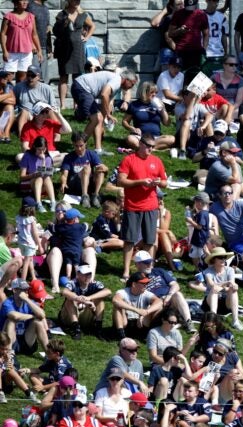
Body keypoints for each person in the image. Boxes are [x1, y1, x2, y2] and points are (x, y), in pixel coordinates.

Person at [116, 134, 167, 281]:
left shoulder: (156, 161)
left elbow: (164, 182)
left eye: (152, 147)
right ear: (140, 144)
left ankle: (147, 270)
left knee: (150, 240)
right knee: (129, 240)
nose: (150, 149)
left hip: (151, 206)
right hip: (132, 206)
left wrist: (158, 182)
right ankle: (126, 271)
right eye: (148, 146)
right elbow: (121, 181)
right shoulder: (128, 160)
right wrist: (141, 182)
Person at [72, 69, 138, 153]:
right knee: (96, 118)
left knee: (99, 118)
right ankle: (79, 146)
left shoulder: (117, 84)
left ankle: (98, 149)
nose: (131, 87)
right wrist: (108, 114)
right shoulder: (117, 80)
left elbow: (105, 101)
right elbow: (104, 94)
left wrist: (105, 119)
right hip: (82, 87)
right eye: (132, 84)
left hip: (81, 87)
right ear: (126, 79)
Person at [51, 0, 93, 109]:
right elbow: (56, 31)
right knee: (63, 76)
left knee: (77, 78)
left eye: (78, 0)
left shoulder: (83, 14)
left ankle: (76, 104)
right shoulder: (62, 14)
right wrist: (65, 22)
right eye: (75, 0)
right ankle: (63, 105)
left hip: (78, 49)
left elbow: (92, 26)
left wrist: (87, 37)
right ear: (69, 1)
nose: (77, 2)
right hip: (64, 49)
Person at [58, 264, 109, 340]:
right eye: (85, 274)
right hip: (69, 317)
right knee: (69, 300)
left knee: (100, 300)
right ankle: (76, 329)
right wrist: (79, 299)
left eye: (89, 274)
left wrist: (89, 298)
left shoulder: (95, 284)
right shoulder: (72, 283)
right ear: (78, 274)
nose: (88, 276)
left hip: (86, 316)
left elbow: (108, 291)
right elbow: (65, 292)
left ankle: (98, 328)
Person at [59, 132, 107, 209]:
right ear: (73, 144)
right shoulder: (68, 157)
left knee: (100, 171)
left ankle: (96, 195)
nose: (79, 149)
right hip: (74, 183)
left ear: (85, 143)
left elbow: (102, 168)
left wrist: (104, 168)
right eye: (76, 146)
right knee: (86, 168)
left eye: (81, 146)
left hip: (89, 182)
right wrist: (63, 183)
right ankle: (85, 196)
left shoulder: (91, 154)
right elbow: (64, 174)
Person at [0, 279, 48, 355]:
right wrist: (32, 316)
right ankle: (9, 355)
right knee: (10, 321)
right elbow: (14, 316)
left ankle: (49, 354)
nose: (26, 292)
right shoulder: (7, 302)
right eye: (23, 290)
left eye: (26, 290)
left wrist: (26, 299)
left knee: (38, 322)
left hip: (26, 339)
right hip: (11, 340)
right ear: (15, 290)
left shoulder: (29, 302)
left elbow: (42, 315)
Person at [123, 81, 174, 151]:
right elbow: (125, 121)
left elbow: (167, 123)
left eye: (156, 92)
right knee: (130, 139)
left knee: (172, 139)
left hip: (156, 137)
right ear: (144, 92)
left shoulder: (157, 105)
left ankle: (145, 148)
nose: (154, 94)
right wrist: (132, 128)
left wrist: (163, 109)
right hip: (140, 137)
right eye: (152, 92)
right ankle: (153, 148)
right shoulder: (134, 105)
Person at [201, 247, 242, 331]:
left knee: (233, 290)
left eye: (224, 257)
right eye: (220, 257)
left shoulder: (230, 270)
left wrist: (233, 286)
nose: (223, 259)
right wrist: (225, 284)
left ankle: (235, 320)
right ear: (214, 260)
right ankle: (213, 320)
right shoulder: (208, 271)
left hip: (225, 301)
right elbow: (212, 285)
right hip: (210, 301)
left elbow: (232, 285)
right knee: (214, 290)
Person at [112, 271, 162, 340]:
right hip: (125, 324)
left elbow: (159, 302)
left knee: (158, 308)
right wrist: (137, 310)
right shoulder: (123, 292)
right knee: (117, 306)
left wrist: (146, 312)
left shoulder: (146, 293)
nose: (146, 285)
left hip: (140, 324)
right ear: (134, 284)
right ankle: (121, 336)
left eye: (146, 283)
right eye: (143, 283)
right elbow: (115, 300)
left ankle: (152, 335)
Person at [1, 0, 42, 84]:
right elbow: (3, 34)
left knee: (22, 79)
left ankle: (18, 97)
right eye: (22, 0)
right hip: (11, 52)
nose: (25, 2)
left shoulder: (31, 17)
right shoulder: (8, 16)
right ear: (16, 2)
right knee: (7, 79)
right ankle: (5, 96)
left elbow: (34, 34)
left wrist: (39, 50)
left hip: (26, 53)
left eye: (26, 0)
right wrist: (4, 51)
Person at [13, 64, 57, 134]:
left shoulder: (47, 88)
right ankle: (22, 135)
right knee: (24, 111)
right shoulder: (19, 87)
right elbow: (12, 102)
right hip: (26, 116)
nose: (30, 78)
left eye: (33, 76)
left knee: (50, 111)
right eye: (28, 75)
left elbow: (54, 107)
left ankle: (57, 134)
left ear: (38, 77)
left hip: (42, 115)